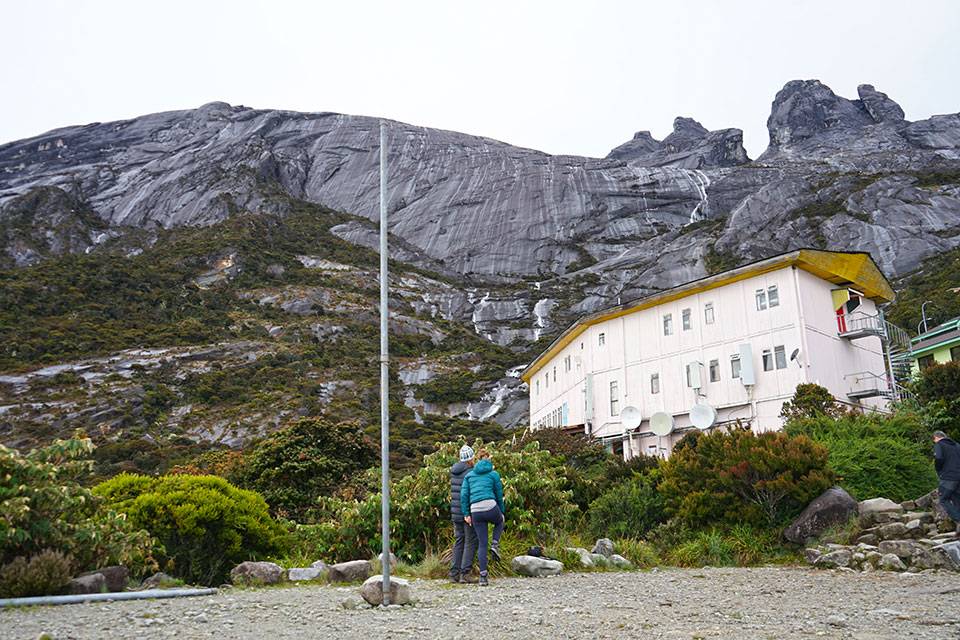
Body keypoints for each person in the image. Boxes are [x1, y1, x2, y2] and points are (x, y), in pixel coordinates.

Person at [461, 448, 505, 586]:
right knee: (500, 521)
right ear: (488, 459)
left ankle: (483, 577)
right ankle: (495, 544)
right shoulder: (494, 474)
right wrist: (501, 511)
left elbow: (464, 496)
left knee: (482, 544)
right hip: (490, 506)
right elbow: (499, 494)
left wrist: (466, 514)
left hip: (475, 510)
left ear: (477, 460)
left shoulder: (469, 476)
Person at [449, 445, 478, 583]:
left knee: (459, 540)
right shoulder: (471, 472)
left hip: (455, 511)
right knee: (470, 541)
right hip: (466, 511)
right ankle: (465, 573)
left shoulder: (454, 471)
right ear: (470, 458)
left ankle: (453, 573)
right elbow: (470, 494)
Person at [933, 430, 960, 533]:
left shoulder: (939, 444)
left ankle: (958, 519)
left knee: (943, 499)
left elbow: (938, 458)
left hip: (948, 477)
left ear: (936, 438)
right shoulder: (957, 445)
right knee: (957, 500)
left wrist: (939, 471)